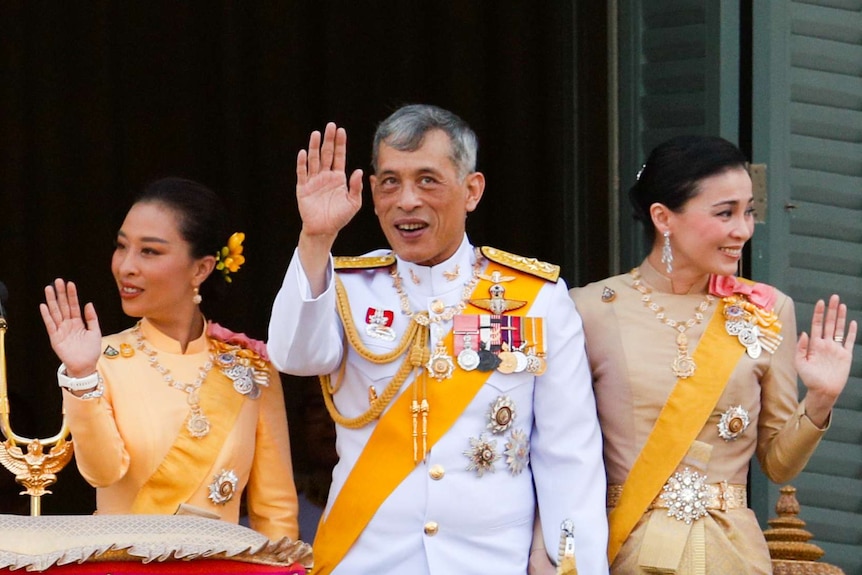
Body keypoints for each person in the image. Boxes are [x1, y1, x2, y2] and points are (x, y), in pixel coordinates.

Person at [267, 104, 608, 575]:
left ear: (472, 190)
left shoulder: (535, 298)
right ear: (371, 192)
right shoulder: (345, 287)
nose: (406, 200)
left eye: (427, 180)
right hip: (367, 560)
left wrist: (569, 563)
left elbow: (569, 454)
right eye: (390, 182)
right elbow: (294, 356)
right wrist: (315, 239)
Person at [562, 135, 857, 574]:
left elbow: (778, 465)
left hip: (733, 554)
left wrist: (820, 400)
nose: (744, 229)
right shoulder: (588, 309)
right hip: (629, 551)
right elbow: (559, 453)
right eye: (725, 213)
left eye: (749, 211)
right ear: (664, 218)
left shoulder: (765, 308)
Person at [39, 177, 300, 541]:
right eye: (121, 246)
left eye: (150, 251)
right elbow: (102, 473)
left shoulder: (251, 368)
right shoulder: (99, 359)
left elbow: (275, 515)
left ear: (200, 269)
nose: (126, 266)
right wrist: (81, 374)